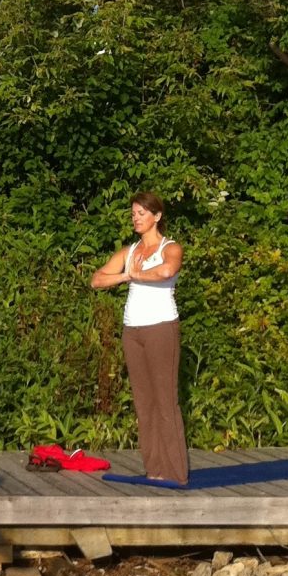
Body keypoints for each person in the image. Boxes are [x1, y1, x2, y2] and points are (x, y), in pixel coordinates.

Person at [90, 192, 189, 485]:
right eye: (133, 213)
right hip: (132, 331)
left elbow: (167, 270)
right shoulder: (129, 251)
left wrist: (135, 275)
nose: (136, 218)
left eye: (141, 213)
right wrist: (124, 276)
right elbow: (97, 279)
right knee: (144, 403)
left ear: (156, 216)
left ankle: (176, 473)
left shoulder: (170, 247)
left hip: (161, 328)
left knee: (165, 402)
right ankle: (155, 469)